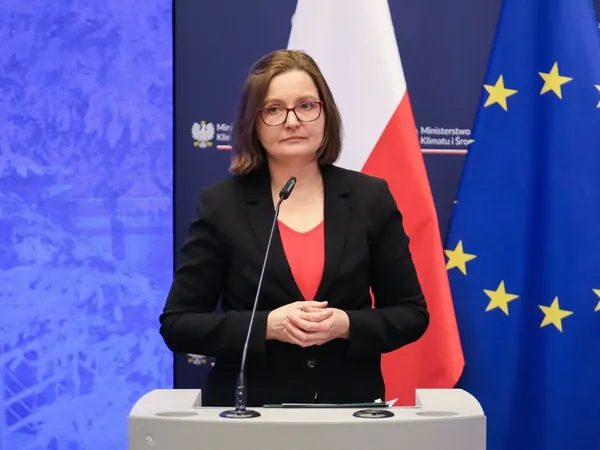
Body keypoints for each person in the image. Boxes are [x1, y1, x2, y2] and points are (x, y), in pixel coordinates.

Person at [159, 49, 429, 407]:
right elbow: (179, 324)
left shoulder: (369, 198)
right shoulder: (222, 205)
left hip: (349, 412)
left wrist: (346, 325)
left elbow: (411, 314)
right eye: (273, 109)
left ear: (326, 114)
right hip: (250, 414)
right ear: (253, 123)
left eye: (306, 106)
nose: (292, 121)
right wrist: (266, 327)